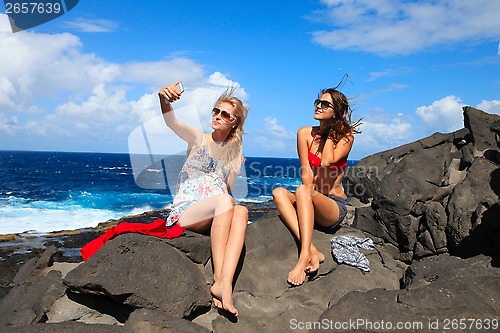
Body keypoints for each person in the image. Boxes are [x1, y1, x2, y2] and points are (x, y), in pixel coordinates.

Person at [159, 82, 249, 316]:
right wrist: (163, 98)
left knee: (241, 211)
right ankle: (218, 278)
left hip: (214, 211)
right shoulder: (199, 139)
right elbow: (172, 122)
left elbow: (226, 189)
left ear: (234, 122)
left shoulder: (235, 154)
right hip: (188, 209)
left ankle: (225, 283)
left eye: (224, 114)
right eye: (215, 111)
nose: (217, 116)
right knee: (225, 202)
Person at [272, 87, 360, 286]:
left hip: (333, 206)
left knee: (304, 191)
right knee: (279, 193)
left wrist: (330, 132)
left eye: (325, 104)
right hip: (311, 201)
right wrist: (306, 199)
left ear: (337, 112)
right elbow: (307, 173)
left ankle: (303, 257)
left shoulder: (346, 137)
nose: (319, 106)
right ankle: (311, 249)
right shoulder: (304, 133)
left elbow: (327, 161)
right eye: (318, 102)